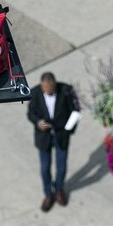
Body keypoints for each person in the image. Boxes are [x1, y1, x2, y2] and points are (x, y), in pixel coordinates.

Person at [27, 72, 81, 212]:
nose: (48, 92)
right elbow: (30, 113)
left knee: (61, 167)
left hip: (61, 135)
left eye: (50, 90)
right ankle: (48, 194)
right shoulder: (35, 93)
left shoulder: (66, 90)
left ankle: (59, 190)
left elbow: (75, 110)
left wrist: (69, 130)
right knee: (45, 168)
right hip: (44, 137)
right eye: (45, 90)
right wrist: (39, 123)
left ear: (54, 85)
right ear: (41, 86)